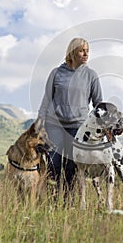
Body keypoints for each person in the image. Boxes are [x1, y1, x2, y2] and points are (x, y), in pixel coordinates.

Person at [37, 37, 103, 199]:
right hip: (55, 126)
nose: (86, 54)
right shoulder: (56, 73)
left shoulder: (91, 75)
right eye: (82, 50)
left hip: (79, 127)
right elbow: (47, 99)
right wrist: (39, 123)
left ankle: (68, 202)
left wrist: (103, 126)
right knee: (54, 163)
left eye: (87, 51)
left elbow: (99, 104)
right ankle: (53, 199)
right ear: (72, 53)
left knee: (71, 166)